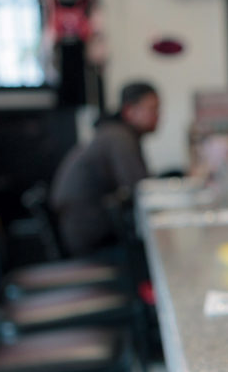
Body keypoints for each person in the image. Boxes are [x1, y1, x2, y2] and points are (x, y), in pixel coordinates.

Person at [50, 81, 159, 256]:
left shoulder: (114, 133)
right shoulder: (119, 137)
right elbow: (140, 189)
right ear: (130, 111)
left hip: (84, 228)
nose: (158, 115)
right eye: (152, 109)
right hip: (88, 236)